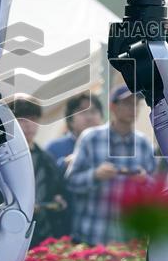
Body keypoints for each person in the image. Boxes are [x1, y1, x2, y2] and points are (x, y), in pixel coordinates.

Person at [65, 86, 157, 245]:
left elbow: (157, 192)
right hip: (91, 236)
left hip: (129, 240)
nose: (133, 109)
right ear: (113, 106)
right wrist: (95, 175)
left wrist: (144, 180)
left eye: (136, 104)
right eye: (127, 104)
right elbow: (71, 182)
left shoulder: (144, 144)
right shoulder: (91, 138)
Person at [10, 98, 70, 246]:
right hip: (10, 227)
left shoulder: (46, 158)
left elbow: (56, 188)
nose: (29, 125)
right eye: (23, 120)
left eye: (33, 119)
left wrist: (57, 199)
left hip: (41, 230)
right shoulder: (2, 157)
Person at [45, 93, 104, 174]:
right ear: (70, 120)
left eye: (93, 111)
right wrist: (64, 164)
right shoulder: (54, 148)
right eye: (82, 112)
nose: (89, 117)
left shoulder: (110, 145)